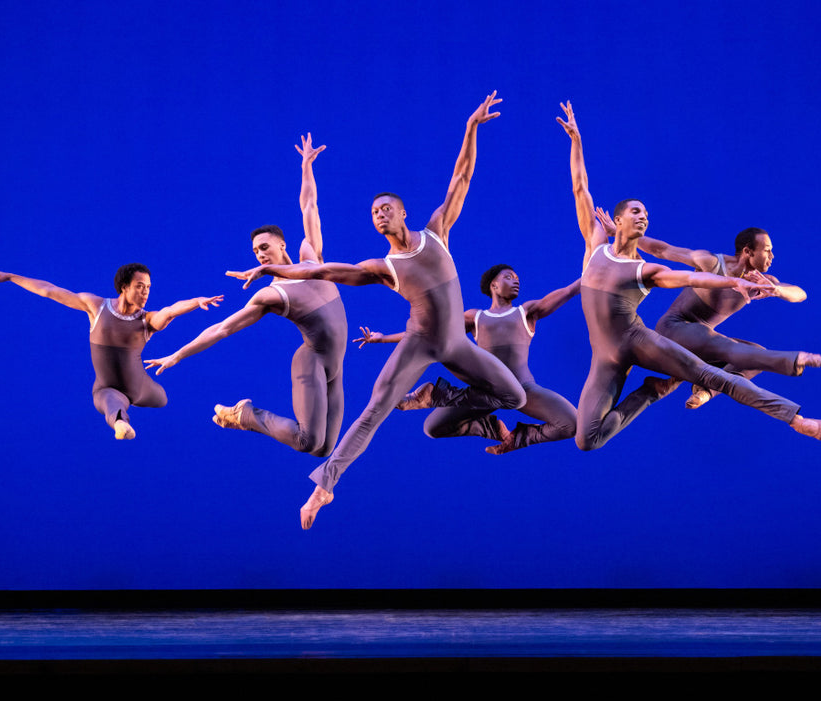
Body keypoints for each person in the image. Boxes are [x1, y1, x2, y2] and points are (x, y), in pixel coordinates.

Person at [228, 92, 525, 529]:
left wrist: (471, 127)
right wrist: (272, 268)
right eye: (373, 212)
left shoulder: (437, 232)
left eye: (386, 208)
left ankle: (438, 396)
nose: (379, 214)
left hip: (458, 346)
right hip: (420, 345)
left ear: (405, 212)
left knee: (513, 395)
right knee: (374, 412)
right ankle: (323, 488)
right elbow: (329, 268)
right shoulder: (383, 267)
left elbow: (461, 177)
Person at [557, 100, 821, 450]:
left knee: (715, 374)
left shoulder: (645, 270)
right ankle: (652, 391)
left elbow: (691, 279)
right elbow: (580, 189)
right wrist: (576, 141)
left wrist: (738, 282)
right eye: (636, 211)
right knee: (588, 439)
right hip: (605, 356)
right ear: (619, 219)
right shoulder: (595, 245)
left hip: (639, 340)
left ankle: (797, 420)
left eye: (646, 213)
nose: (643, 216)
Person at [145, 134, 346, 457]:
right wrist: (177, 354)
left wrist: (306, 166)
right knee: (307, 441)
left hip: (336, 367)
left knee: (323, 450)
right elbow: (223, 328)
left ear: (283, 244)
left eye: (264, 247)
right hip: (312, 361)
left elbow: (309, 206)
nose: (260, 255)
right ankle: (245, 414)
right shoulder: (273, 295)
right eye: (255, 252)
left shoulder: (312, 258)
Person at [355, 264, 579, 454]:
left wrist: (596, 271)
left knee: (572, 425)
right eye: (508, 277)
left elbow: (568, 291)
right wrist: (383, 338)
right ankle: (489, 429)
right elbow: (430, 331)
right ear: (493, 285)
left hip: (523, 389)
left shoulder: (526, 312)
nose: (516, 282)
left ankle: (516, 437)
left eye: (517, 279)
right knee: (433, 428)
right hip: (486, 390)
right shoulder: (476, 317)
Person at [0, 264, 222, 439]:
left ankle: (127, 407)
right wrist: (11, 277)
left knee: (161, 398)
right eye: (140, 286)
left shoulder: (147, 321)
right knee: (109, 402)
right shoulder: (95, 307)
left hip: (141, 387)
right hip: (108, 388)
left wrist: (195, 301)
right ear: (124, 287)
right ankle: (121, 424)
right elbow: (49, 290)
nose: (146, 292)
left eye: (148, 287)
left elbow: (170, 310)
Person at [630, 225, 821, 408]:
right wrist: (624, 235)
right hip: (673, 328)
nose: (772, 256)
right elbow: (662, 250)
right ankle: (678, 376)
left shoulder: (762, 282)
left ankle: (705, 389)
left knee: (754, 355)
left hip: (702, 339)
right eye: (767, 250)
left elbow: (800, 294)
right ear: (748, 251)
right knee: (728, 345)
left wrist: (777, 290)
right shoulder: (713, 263)